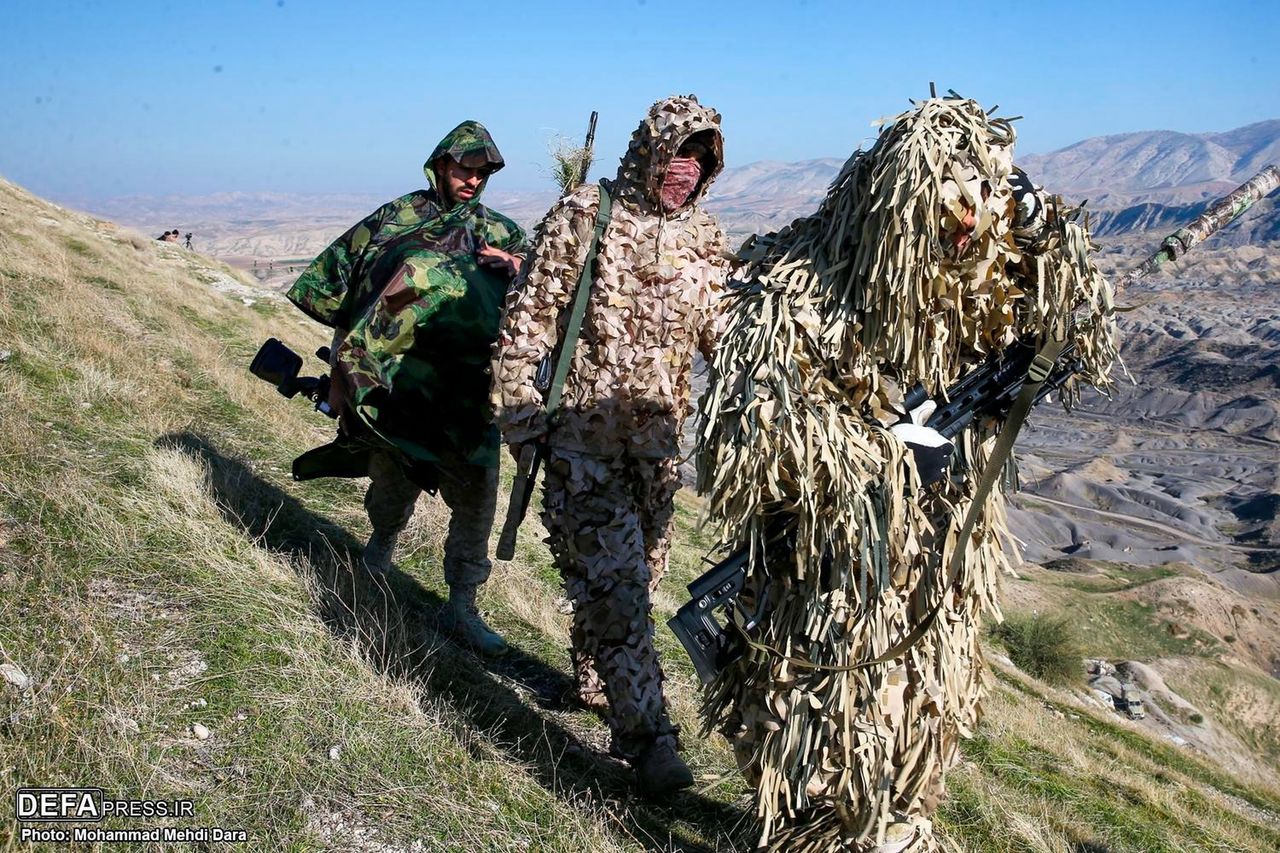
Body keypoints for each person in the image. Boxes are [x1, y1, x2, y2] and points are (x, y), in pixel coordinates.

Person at [694, 96, 1119, 851]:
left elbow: (1078, 333)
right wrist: (882, 452)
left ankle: (901, 827)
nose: (963, 233)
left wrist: (1050, 230)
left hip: (938, 574)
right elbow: (748, 442)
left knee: (923, 724)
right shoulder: (797, 282)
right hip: (831, 576)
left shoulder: (976, 292)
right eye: (944, 210)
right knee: (824, 737)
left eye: (981, 209)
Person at [491, 95, 730, 795]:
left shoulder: (708, 240)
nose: (686, 171)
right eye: (679, 152)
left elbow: (727, 341)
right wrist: (524, 425)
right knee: (620, 592)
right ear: (651, 150)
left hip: (658, 457)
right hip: (579, 450)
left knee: (634, 585)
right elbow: (525, 325)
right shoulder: (584, 216)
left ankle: (596, 682)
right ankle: (649, 740)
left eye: (702, 158)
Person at [287, 120, 526, 657]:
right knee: (394, 478)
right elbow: (348, 294)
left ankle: (462, 606)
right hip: (401, 388)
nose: (472, 180)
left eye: (482, 172)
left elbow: (538, 303)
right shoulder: (395, 220)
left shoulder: (503, 234)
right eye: (464, 168)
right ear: (440, 164)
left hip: (470, 394)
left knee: (476, 499)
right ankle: (378, 553)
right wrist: (344, 372)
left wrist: (516, 267)